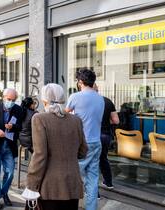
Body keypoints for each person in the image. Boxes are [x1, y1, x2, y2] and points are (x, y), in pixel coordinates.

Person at [26, 83, 88, 210]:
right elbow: (83, 151)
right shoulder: (76, 120)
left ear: (44, 101)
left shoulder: (39, 119)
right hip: (72, 183)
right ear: (63, 99)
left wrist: (31, 184)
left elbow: (40, 155)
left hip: (50, 185)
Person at [65, 69, 104, 210]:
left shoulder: (75, 97)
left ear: (80, 82)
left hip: (81, 144)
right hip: (96, 142)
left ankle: (66, 204)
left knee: (71, 175)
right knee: (92, 180)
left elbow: (62, 116)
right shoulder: (100, 98)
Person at [93, 84, 119, 189]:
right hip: (105, 135)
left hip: (93, 135)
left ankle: (95, 192)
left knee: (92, 163)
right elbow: (116, 121)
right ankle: (108, 183)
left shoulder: (87, 102)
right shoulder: (107, 101)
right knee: (103, 158)